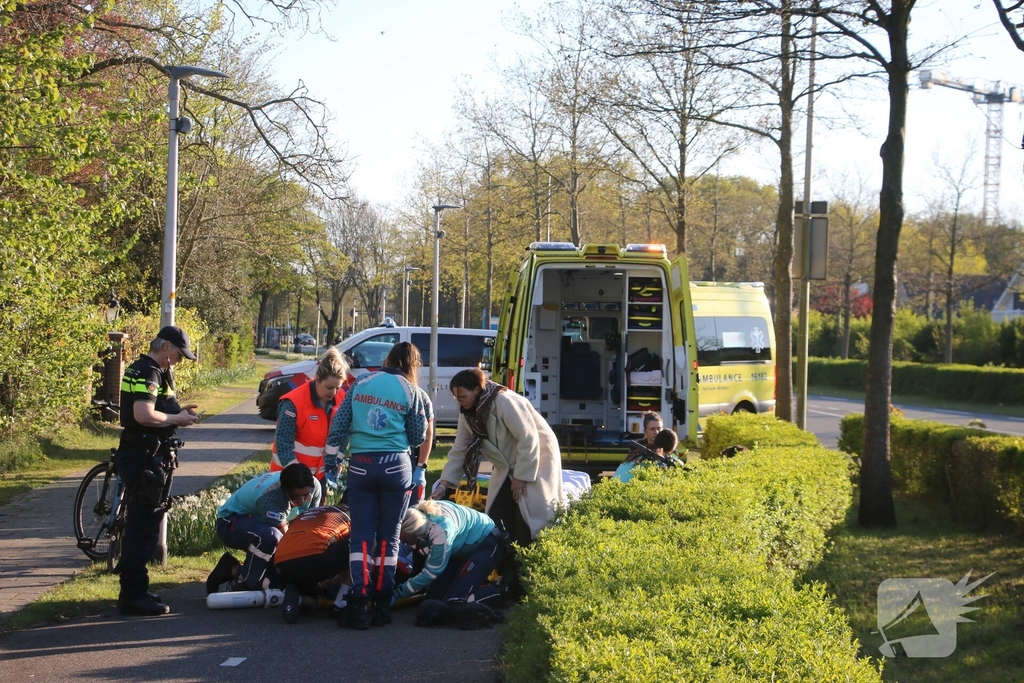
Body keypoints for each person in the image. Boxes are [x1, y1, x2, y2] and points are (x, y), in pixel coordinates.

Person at [324, 341, 431, 629]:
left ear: (387, 358)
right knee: (390, 537)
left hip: (361, 465)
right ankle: (382, 603)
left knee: (361, 536)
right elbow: (418, 435)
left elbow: (339, 425)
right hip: (396, 466)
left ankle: (359, 600)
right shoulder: (412, 391)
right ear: (411, 365)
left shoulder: (361, 382)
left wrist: (331, 464)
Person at [115, 326, 200, 617]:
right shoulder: (149, 372)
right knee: (142, 528)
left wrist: (180, 412)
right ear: (165, 346)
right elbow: (144, 415)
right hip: (143, 456)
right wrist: (177, 417)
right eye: (177, 354)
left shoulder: (151, 370)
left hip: (144, 453)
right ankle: (133, 595)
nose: (177, 360)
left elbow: (160, 407)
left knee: (146, 524)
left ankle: (137, 589)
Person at [432, 368, 566, 548]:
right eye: (456, 396)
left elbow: (529, 438)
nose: (459, 401)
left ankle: (529, 559)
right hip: (507, 464)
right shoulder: (468, 412)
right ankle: (504, 561)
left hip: (537, 457)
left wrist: (521, 476)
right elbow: (459, 449)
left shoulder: (505, 401)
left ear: (477, 390)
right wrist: (444, 484)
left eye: (462, 396)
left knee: (531, 516)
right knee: (497, 513)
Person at [207, 462, 321, 594]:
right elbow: (285, 541)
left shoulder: (315, 487)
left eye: (305, 495)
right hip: (230, 521)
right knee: (272, 537)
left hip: (258, 522)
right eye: (296, 496)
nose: (302, 501)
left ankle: (232, 568)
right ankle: (243, 581)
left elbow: (309, 525)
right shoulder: (270, 497)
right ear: (285, 491)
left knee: (277, 580)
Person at [394, 499, 507, 604]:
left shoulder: (440, 531)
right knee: (434, 599)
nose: (405, 544)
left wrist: (398, 593)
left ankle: (503, 588)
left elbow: (431, 572)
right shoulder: (414, 516)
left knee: (456, 599)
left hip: (485, 543)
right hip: (459, 547)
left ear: (417, 535)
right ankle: (470, 582)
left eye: (407, 541)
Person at [270, 347, 349, 489]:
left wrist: (337, 462)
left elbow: (343, 434)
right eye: (329, 387)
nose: (334, 392)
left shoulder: (341, 397)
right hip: (289, 476)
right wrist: (299, 477)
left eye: (338, 387)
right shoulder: (293, 402)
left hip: (321, 476)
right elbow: (283, 443)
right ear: (317, 379)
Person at [274, 504, 351, 624]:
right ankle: (340, 604)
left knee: (315, 594)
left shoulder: (312, 511)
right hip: (314, 558)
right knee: (363, 544)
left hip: (281, 562)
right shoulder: (354, 514)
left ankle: (297, 598)